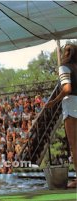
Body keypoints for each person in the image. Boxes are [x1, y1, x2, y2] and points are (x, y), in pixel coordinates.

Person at [46, 44, 77, 188]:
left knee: (75, 145)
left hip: (72, 105)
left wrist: (54, 101)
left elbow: (67, 88)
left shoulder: (64, 67)